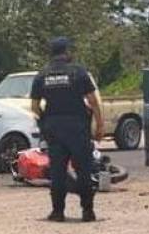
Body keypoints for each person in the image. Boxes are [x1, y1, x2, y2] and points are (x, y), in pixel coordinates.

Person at [30, 37, 104, 222]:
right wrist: (100, 125)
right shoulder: (78, 72)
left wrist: (45, 122)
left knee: (57, 171)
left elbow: (34, 107)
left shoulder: (42, 75)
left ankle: (58, 212)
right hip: (77, 126)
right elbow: (93, 101)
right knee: (83, 169)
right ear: (67, 51)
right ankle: (87, 211)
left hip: (54, 128)